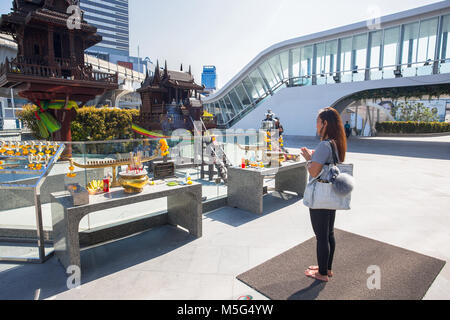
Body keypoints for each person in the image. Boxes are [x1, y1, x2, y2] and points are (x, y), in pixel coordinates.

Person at [300, 107, 347, 282]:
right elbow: (327, 164)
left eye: (318, 122)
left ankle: (321, 274)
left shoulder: (324, 144)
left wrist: (308, 158)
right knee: (329, 233)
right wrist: (315, 157)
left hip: (320, 196)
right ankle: (327, 268)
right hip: (331, 195)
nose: (316, 125)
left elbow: (313, 172)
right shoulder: (336, 143)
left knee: (321, 236)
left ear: (325, 123)